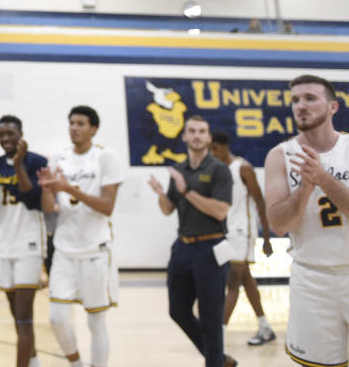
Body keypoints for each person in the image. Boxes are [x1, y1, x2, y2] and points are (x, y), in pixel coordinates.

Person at [265, 74, 349, 367]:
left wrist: (323, 178)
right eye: (295, 100)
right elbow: (278, 224)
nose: (301, 105)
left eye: (310, 98)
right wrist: (304, 188)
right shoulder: (279, 156)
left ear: (333, 107)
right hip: (311, 278)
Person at [40, 105, 124, 367]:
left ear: (93, 129)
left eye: (81, 123)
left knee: (96, 320)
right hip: (64, 248)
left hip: (95, 250)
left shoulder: (106, 158)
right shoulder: (58, 157)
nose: (74, 128)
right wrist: (47, 189)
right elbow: (47, 208)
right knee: (56, 318)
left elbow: (107, 206)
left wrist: (68, 188)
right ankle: (76, 363)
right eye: (71, 123)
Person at [147, 115, 235, 367]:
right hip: (183, 247)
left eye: (202, 131)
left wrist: (187, 191)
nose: (197, 135)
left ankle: (215, 361)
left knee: (210, 318)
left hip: (211, 248)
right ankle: (218, 358)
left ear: (208, 137)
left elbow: (220, 211)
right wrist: (161, 194)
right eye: (192, 131)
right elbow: (168, 209)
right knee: (177, 311)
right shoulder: (180, 169)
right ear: (184, 136)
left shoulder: (219, 170)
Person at [0, 115, 50, 367]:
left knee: (24, 315)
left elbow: (33, 200)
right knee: (15, 312)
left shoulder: (37, 161)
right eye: (2, 134)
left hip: (29, 245)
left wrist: (19, 165)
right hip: (5, 245)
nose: (6, 139)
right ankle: (34, 360)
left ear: (21, 134)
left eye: (11, 134)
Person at [209, 130, 276, 345]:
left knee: (233, 282)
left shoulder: (243, 168)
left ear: (225, 147)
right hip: (225, 233)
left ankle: (217, 334)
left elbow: (260, 202)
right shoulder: (216, 170)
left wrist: (266, 237)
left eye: (215, 149)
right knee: (247, 281)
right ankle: (265, 327)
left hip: (242, 233)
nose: (212, 153)